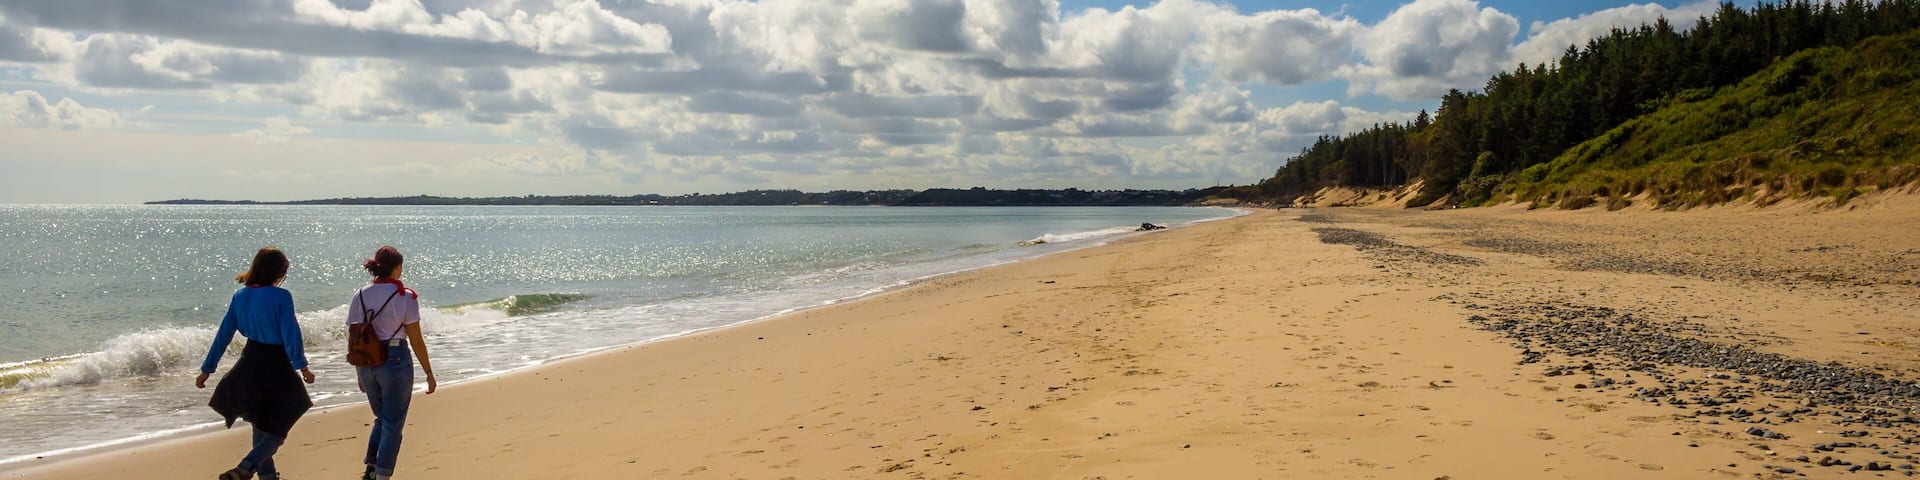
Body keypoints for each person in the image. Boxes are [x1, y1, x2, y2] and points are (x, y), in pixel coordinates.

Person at [197, 246, 315, 480]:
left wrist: (207, 369)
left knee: (260, 422)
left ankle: (268, 476)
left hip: (249, 361)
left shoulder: (240, 296)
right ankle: (247, 466)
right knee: (283, 421)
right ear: (278, 272)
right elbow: (291, 332)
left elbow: (224, 334)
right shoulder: (281, 296)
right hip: (276, 363)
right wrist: (302, 366)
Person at [348, 245, 436, 480]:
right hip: (395, 360)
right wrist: (428, 372)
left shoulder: (360, 294)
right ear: (397, 268)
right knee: (393, 423)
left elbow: (355, 337)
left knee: (383, 419)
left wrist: (359, 373)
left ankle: (371, 468)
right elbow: (416, 338)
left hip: (367, 362)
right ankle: (382, 475)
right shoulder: (404, 296)